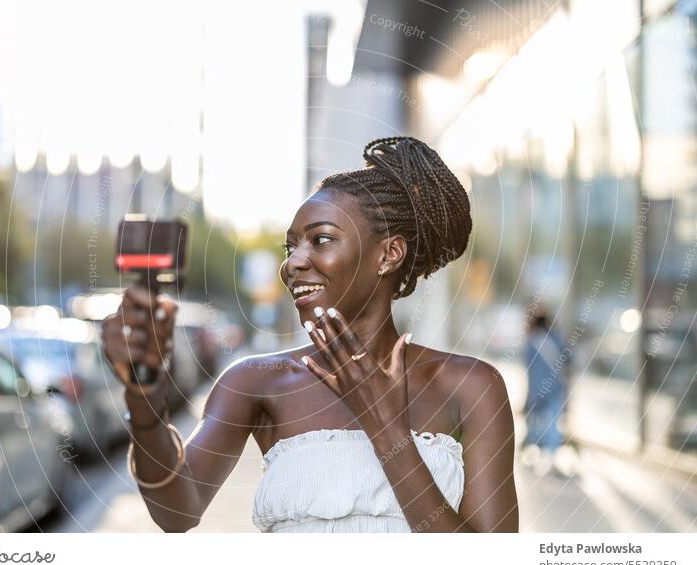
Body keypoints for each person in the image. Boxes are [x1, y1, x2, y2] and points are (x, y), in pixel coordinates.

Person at [102, 136, 519, 533]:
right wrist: (144, 398)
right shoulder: (258, 382)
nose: (293, 264)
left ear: (389, 254)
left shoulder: (473, 387)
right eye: (290, 248)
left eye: (320, 240)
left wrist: (386, 429)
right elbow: (176, 512)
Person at [522, 309, 569, 476]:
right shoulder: (556, 338)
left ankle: (533, 454)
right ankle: (551, 457)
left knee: (535, 423)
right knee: (553, 423)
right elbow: (569, 359)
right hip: (555, 389)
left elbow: (530, 371)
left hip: (537, 390)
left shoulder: (531, 342)